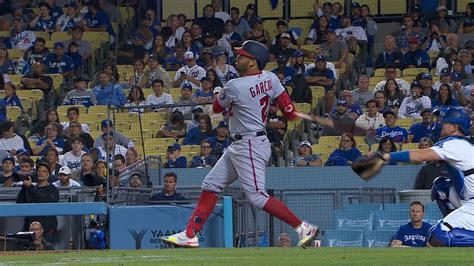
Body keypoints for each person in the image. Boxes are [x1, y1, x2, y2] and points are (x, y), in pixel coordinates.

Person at [161, 40, 318, 248]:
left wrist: (220, 94)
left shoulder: (235, 85)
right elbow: (288, 112)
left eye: (242, 55)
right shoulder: (271, 78)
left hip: (249, 144)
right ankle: (190, 234)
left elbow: (217, 107)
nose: (238, 57)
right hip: (243, 143)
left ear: (253, 61)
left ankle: (302, 228)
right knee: (210, 185)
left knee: (257, 197)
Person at [380, 106, 474, 247]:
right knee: (441, 186)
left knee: (438, 236)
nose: (439, 123)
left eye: (443, 121)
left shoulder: (455, 143)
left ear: (454, 127)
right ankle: (456, 225)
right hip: (468, 199)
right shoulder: (462, 144)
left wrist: (384, 156)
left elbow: (420, 155)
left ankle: (452, 229)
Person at [17, 162, 59, 243]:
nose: (41, 173)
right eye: (39, 171)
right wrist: (24, 187)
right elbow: (20, 203)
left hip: (47, 231)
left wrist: (30, 187)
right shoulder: (30, 188)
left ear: (48, 175)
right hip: (29, 230)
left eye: (44, 171)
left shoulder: (53, 189)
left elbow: (45, 203)